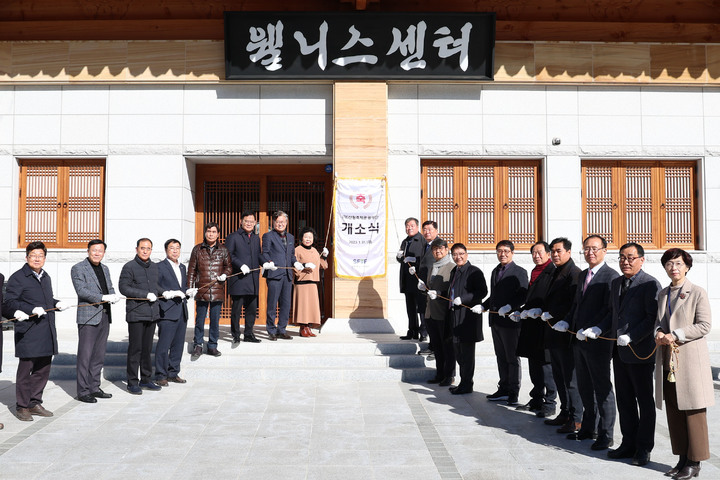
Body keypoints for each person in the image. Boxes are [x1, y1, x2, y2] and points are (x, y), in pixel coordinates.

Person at [556, 234, 619, 451]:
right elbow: (577, 304)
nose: (590, 252)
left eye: (594, 248)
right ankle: (588, 427)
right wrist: (566, 321)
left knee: (602, 389)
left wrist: (598, 328)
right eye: (586, 249)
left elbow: (610, 310)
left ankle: (606, 434)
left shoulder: (611, 276)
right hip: (579, 340)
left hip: (598, 341)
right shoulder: (584, 275)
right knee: (584, 387)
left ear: (604, 250)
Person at [655, 248, 714, 480]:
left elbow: (704, 325)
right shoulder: (662, 294)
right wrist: (658, 333)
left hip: (690, 360)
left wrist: (676, 334)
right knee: (674, 409)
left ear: (687, 266)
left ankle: (694, 462)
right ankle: (681, 458)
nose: (674, 268)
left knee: (693, 411)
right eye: (669, 264)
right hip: (669, 360)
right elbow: (658, 323)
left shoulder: (697, 292)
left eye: (678, 263)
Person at [606, 242, 660, 466]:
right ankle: (628, 443)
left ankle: (643, 448)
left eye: (630, 258)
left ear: (641, 260)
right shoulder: (616, 282)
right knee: (625, 399)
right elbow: (614, 313)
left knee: (644, 401)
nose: (625, 262)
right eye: (621, 257)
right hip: (619, 351)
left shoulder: (649, 284)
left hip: (640, 352)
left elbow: (651, 318)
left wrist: (633, 336)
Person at [2, 241, 69, 420]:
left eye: (40, 256)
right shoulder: (18, 277)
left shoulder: (45, 277)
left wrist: (56, 303)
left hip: (46, 329)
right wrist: (30, 309)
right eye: (33, 255)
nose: (37, 259)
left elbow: (46, 300)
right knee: (26, 370)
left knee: (43, 369)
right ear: (27, 257)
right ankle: (22, 406)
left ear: (45, 258)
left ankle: (34, 402)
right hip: (29, 331)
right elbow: (9, 303)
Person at [70, 239, 122, 403]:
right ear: (88, 251)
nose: (97, 253)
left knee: (99, 355)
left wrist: (113, 296)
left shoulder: (105, 268)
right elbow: (82, 291)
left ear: (104, 253)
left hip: (105, 315)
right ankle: (83, 391)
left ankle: (94, 387)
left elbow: (110, 287)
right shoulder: (78, 268)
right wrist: (102, 297)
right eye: (94, 250)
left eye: (100, 251)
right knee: (85, 355)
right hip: (88, 317)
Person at [541, 238, 583, 435]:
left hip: (566, 334)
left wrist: (560, 317)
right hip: (552, 333)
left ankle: (577, 419)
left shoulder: (574, 274)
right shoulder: (555, 271)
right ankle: (565, 412)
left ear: (568, 251)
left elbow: (573, 304)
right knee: (559, 376)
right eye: (553, 251)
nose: (555, 255)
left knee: (570, 380)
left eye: (558, 251)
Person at [481, 240, 528, 405]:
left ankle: (513, 392)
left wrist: (510, 307)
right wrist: (484, 305)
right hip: (495, 321)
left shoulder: (519, 272)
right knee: (500, 356)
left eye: (506, 251)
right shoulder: (495, 271)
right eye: (500, 251)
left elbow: (523, 294)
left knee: (512, 357)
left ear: (512, 253)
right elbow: (494, 295)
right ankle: (503, 388)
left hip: (510, 322)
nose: (503, 254)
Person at [516, 241, 557, 418]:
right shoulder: (535, 271)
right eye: (533, 253)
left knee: (547, 366)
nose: (536, 255)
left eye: (540, 252)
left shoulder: (553, 271)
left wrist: (541, 311)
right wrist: (522, 310)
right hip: (531, 324)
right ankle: (536, 398)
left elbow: (553, 298)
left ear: (548, 254)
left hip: (545, 325)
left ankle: (550, 402)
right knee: (534, 364)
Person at [119, 238, 163, 395]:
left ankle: (146, 379)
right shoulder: (129, 266)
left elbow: (155, 286)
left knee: (147, 349)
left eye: (148, 248)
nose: (145, 251)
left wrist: (164, 292)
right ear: (136, 249)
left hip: (151, 314)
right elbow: (124, 288)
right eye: (142, 248)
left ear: (151, 250)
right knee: (135, 349)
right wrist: (145, 295)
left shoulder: (154, 267)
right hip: (136, 313)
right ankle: (132, 382)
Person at [447, 243, 487, 394]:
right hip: (454, 317)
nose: (458, 257)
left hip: (467, 319)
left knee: (467, 354)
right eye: (455, 254)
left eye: (461, 253)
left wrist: (463, 299)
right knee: (458, 352)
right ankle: (463, 382)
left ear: (467, 254)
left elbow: (482, 291)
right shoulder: (454, 271)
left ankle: (467, 384)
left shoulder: (474, 271)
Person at [187, 222, 232, 357]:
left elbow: (229, 267)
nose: (211, 234)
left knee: (214, 320)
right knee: (200, 320)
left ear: (218, 234)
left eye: (214, 232)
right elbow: (191, 270)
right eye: (209, 231)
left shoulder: (223, 250)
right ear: (205, 233)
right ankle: (198, 344)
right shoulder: (197, 249)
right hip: (202, 290)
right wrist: (190, 287)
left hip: (217, 290)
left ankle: (212, 345)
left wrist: (225, 274)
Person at [261, 211, 304, 340]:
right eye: (278, 222)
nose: (280, 224)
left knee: (286, 304)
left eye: (283, 222)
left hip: (287, 275)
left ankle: (282, 329)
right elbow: (265, 253)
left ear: (286, 223)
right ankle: (271, 330)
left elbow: (291, 256)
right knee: (272, 303)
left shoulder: (290, 237)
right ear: (273, 222)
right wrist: (269, 262)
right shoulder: (268, 236)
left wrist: (296, 263)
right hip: (274, 273)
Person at [155, 239, 189, 386]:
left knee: (178, 344)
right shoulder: (159, 267)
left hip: (181, 310)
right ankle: (161, 374)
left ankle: (173, 372)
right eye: (172, 248)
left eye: (177, 248)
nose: (175, 251)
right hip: (167, 310)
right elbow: (155, 285)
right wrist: (166, 292)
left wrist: (188, 292)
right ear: (166, 250)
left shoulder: (182, 267)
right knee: (164, 345)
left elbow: (182, 286)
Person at [422, 237, 456, 386]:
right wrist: (425, 289)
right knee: (436, 346)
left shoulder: (452, 267)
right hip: (430, 312)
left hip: (443, 313)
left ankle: (449, 375)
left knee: (447, 346)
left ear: (446, 250)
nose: (437, 251)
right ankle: (440, 373)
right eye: (435, 249)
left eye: (440, 248)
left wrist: (439, 292)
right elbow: (431, 289)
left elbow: (452, 290)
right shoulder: (432, 266)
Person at [225, 211, 262, 343]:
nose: (249, 223)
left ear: (255, 223)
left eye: (252, 222)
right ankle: (235, 334)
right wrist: (240, 265)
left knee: (251, 309)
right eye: (247, 221)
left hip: (253, 279)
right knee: (236, 309)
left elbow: (259, 255)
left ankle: (248, 334)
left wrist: (267, 263)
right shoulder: (233, 237)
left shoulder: (256, 238)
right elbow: (228, 255)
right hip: (239, 279)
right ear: (241, 221)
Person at [292, 227, 328, 337]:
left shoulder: (315, 251)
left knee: (311, 307)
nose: (308, 239)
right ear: (301, 238)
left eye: (310, 237)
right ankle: (303, 327)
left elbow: (323, 266)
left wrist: (325, 256)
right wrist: (303, 266)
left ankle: (308, 327)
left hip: (312, 282)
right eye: (306, 237)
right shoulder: (297, 250)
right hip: (302, 282)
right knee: (303, 306)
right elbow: (293, 265)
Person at [396, 217, 427, 341]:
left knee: (421, 307)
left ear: (417, 227)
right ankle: (412, 330)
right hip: (407, 280)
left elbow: (424, 259)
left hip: (418, 278)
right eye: (407, 226)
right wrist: (399, 257)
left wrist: (414, 261)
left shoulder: (421, 240)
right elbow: (401, 258)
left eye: (412, 225)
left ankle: (423, 331)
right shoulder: (405, 241)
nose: (409, 228)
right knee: (410, 307)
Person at [409, 220, 438, 349]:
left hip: (433, 286)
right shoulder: (425, 245)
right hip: (423, 285)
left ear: (436, 231)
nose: (427, 232)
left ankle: (434, 346)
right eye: (424, 230)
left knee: (433, 317)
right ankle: (429, 342)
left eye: (430, 229)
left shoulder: (438, 245)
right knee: (424, 313)